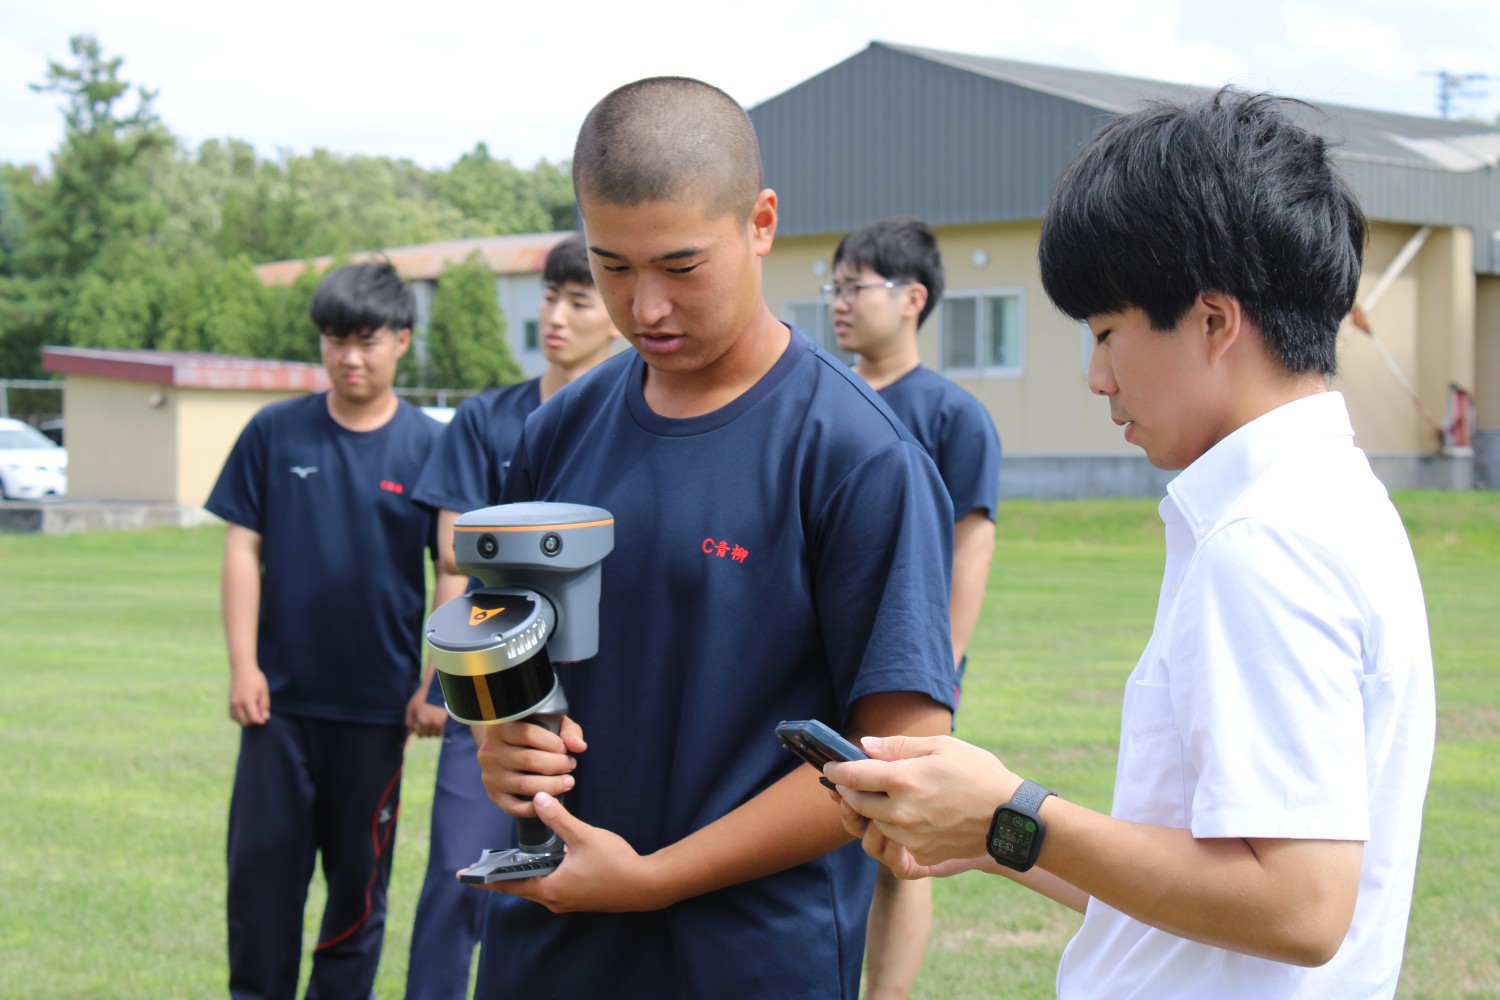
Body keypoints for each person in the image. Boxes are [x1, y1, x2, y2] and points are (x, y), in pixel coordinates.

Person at [826, 88, 1436, 1000]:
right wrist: (991, 833)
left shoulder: (1263, 541)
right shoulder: (1326, 501)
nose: (1097, 377)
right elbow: (1210, 894)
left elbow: (1299, 908)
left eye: (1107, 333)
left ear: (1214, 322)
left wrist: (1010, 807)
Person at [468, 76, 957, 999]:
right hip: (550, 940)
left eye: (681, 266)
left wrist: (654, 880)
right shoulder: (558, 431)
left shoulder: (855, 455)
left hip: (748, 959)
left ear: (761, 223)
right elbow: (505, 647)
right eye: (613, 266)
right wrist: (503, 741)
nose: (646, 306)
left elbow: (899, 758)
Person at [206, 261, 444, 999]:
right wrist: (243, 665)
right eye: (336, 340)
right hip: (278, 706)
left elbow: (455, 571)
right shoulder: (274, 432)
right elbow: (242, 548)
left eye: (367, 341)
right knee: (260, 882)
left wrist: (436, 683)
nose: (349, 357)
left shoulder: (429, 446)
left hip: (378, 711)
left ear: (402, 341)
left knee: (357, 891)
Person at [403, 232, 620, 1000]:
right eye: (550, 297)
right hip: (493, 685)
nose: (556, 316)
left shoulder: (632, 425)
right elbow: (454, 566)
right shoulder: (487, 419)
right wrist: (441, 679)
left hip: (600, 695)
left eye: (578, 300)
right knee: (458, 873)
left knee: (570, 885)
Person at [826, 215, 1000, 999]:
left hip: (905, 664)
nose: (839, 302)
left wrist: (942, 672)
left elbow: (972, 547)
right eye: (833, 287)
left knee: (899, 845)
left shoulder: (953, 416)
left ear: (912, 298)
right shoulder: (822, 401)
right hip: (824, 656)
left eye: (855, 286)